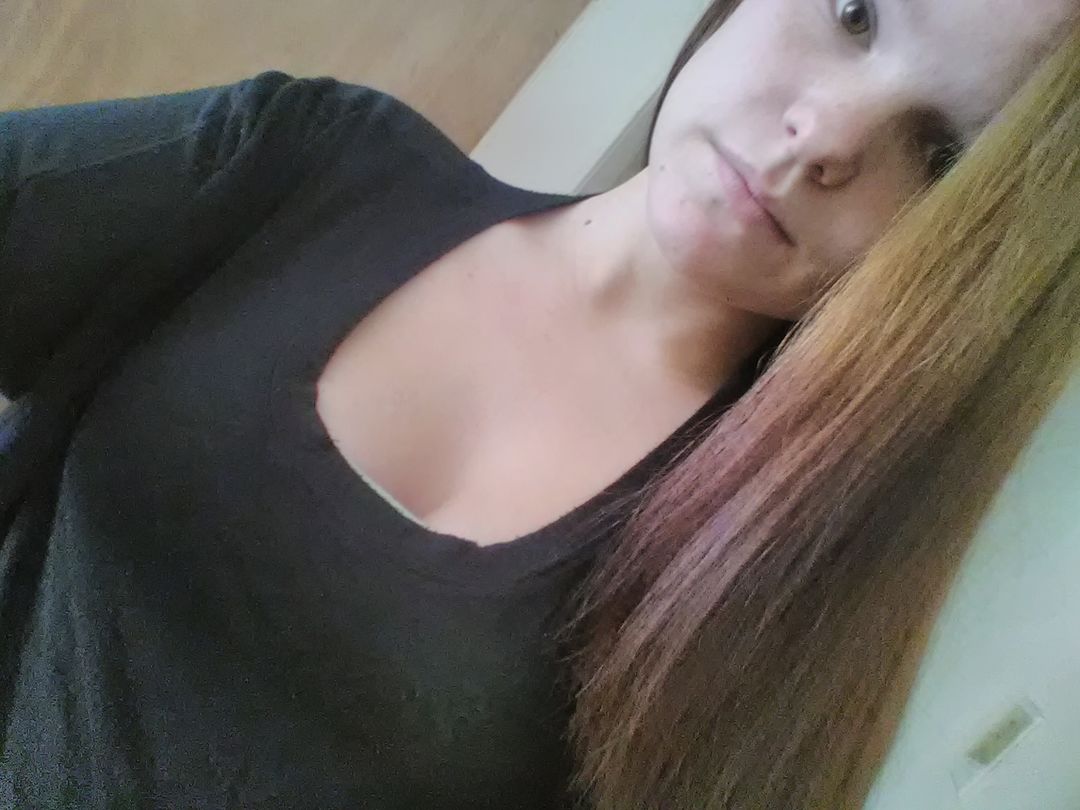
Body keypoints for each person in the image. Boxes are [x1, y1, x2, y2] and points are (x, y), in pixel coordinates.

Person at [1, 0, 1078, 807]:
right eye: (853, 13)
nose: (827, 138)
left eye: (941, 153)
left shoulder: (770, 582)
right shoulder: (306, 159)